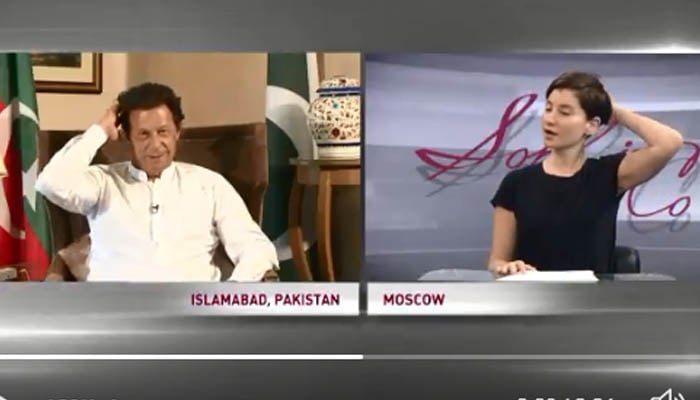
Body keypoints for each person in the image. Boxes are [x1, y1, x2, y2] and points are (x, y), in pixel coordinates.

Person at [36, 82, 280, 281]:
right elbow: (50, 182)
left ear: (177, 132)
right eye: (143, 134)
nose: (155, 145)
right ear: (127, 137)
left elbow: (256, 249)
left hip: (192, 313)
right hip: (113, 312)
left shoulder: (210, 185)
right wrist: (100, 130)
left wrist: (230, 295)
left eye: (163, 132)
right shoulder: (102, 182)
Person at [488, 71, 684, 277]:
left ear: (591, 125)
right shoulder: (517, 183)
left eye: (564, 112)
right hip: (531, 293)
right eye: (548, 108)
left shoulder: (608, 174)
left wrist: (614, 110)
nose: (550, 120)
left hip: (592, 295)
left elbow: (670, 142)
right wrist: (506, 267)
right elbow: (497, 261)